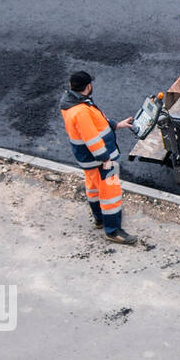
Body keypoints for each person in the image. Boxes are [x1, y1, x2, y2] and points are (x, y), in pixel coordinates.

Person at [60, 70, 137, 245]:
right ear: (88, 86)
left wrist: (118, 125)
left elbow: (97, 123)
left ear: (71, 86)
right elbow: (91, 138)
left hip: (88, 160)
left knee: (93, 188)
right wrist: (105, 159)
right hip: (98, 160)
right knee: (111, 194)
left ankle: (100, 219)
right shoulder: (81, 111)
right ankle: (113, 231)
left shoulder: (72, 103)